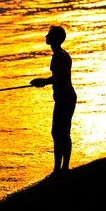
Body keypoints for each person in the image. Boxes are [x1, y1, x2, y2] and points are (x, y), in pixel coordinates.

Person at [30, 25, 77, 177]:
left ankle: (60, 169)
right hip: (66, 96)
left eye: (49, 35)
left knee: (58, 133)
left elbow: (59, 78)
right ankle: (62, 168)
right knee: (62, 133)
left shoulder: (59, 56)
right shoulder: (61, 54)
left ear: (56, 39)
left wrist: (42, 81)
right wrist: (43, 82)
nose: (46, 37)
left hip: (65, 98)